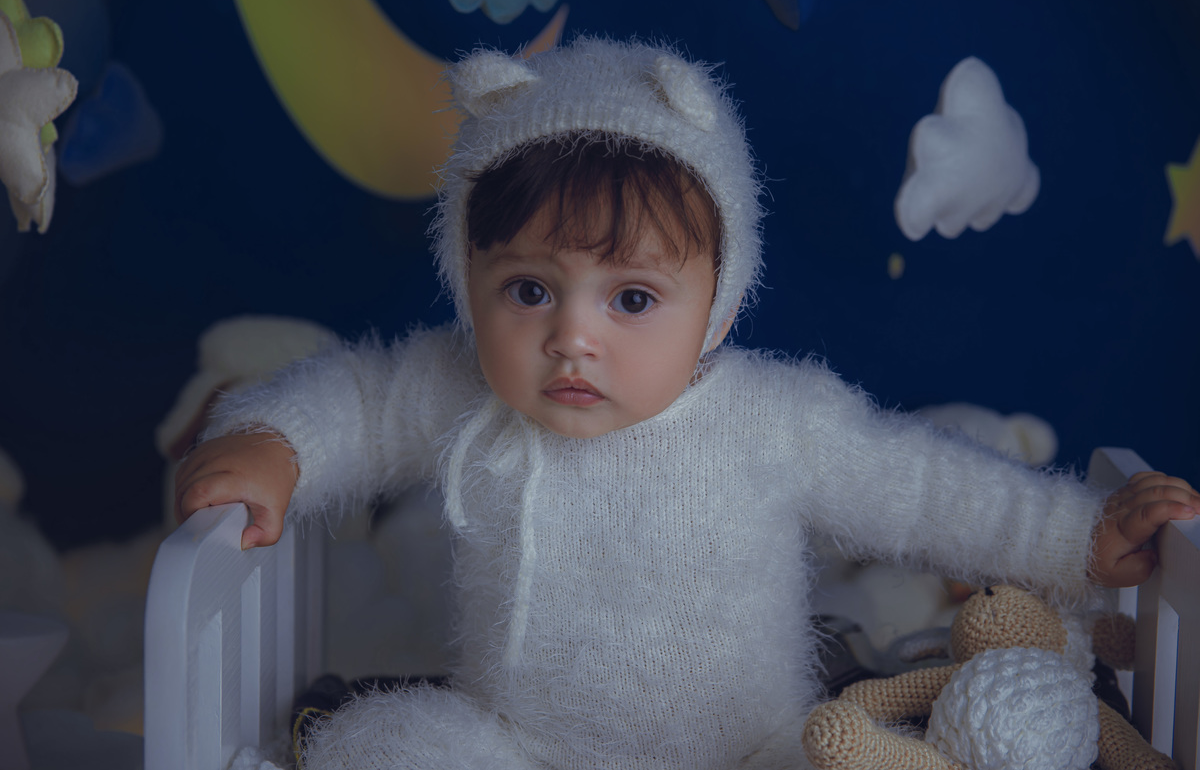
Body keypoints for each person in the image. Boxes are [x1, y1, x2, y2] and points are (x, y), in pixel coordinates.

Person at [175, 37, 1198, 770]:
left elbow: (928, 489)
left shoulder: (773, 420)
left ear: (718, 308)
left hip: (748, 747)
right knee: (376, 742)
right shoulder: (462, 389)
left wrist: (1078, 538)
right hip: (524, 745)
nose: (572, 336)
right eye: (528, 290)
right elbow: (359, 399)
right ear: (467, 277)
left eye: (631, 299)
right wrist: (275, 443)